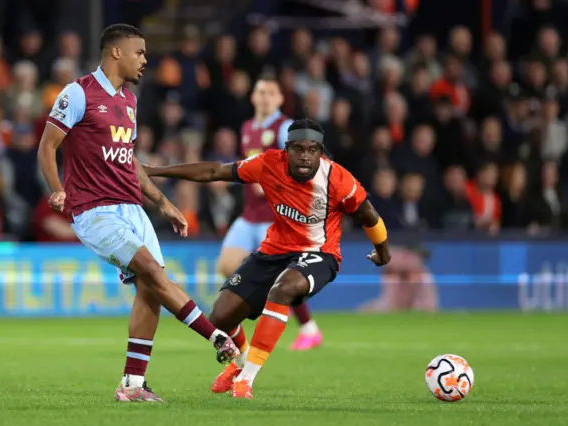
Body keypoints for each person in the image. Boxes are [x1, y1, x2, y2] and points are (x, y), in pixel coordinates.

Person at [37, 23, 239, 403]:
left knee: (149, 290)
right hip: (95, 212)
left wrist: (163, 203)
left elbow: (129, 161)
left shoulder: (129, 101)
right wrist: (57, 190)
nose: (145, 60)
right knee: (151, 271)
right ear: (116, 52)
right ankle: (215, 336)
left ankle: (132, 385)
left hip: (133, 210)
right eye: (140, 52)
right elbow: (47, 148)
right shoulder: (78, 93)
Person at [145, 117, 392, 399]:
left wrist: (383, 251)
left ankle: (246, 380)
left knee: (283, 289)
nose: (305, 156)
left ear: (321, 152)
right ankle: (239, 364)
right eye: (298, 149)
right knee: (221, 317)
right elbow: (214, 171)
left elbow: (368, 214)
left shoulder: (338, 179)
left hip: (319, 254)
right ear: (286, 149)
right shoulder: (268, 163)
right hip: (273, 251)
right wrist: (156, 170)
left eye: (312, 150)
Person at [219, 73, 324, 353]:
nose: (264, 97)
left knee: (280, 277)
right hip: (250, 213)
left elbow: (305, 162)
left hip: (277, 216)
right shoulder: (247, 127)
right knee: (227, 265)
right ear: (253, 96)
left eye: (270, 93)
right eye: (260, 92)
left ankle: (308, 328)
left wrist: (278, 184)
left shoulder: (284, 127)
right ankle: (247, 323)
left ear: (279, 99)